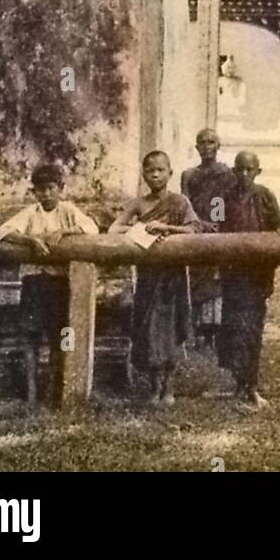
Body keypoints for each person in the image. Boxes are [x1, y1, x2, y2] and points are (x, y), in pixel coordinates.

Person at [0, 163, 98, 404]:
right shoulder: (31, 213)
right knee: (31, 336)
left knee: (60, 336)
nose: (47, 194)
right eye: (41, 190)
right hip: (35, 283)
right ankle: (31, 392)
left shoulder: (68, 210)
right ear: (35, 192)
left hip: (60, 284)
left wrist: (65, 232)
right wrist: (30, 240)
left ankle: (56, 388)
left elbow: (92, 227)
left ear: (60, 189)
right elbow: (2, 231)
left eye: (51, 188)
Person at [111, 151, 200, 404]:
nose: (156, 175)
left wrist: (167, 229)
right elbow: (114, 228)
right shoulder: (139, 204)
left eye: (161, 170)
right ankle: (154, 387)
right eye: (150, 171)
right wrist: (142, 230)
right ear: (144, 175)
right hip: (148, 276)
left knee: (171, 329)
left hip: (172, 275)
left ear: (170, 173)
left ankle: (169, 388)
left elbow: (194, 229)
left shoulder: (180, 202)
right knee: (149, 330)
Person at [216, 150, 280, 412]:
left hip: (256, 275)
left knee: (252, 329)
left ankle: (251, 386)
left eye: (249, 169)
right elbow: (215, 227)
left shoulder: (265, 196)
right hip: (233, 273)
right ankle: (238, 384)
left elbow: (277, 228)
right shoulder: (223, 197)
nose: (244, 174)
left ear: (257, 171)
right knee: (233, 329)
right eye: (239, 169)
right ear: (233, 171)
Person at [181, 129, 233, 349]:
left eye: (211, 142)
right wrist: (198, 223)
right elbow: (185, 203)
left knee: (214, 278)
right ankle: (198, 331)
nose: (207, 146)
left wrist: (216, 223)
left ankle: (213, 330)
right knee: (196, 277)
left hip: (215, 229)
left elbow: (222, 199)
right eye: (202, 142)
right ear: (197, 147)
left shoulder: (224, 173)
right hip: (195, 227)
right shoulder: (189, 174)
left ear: (218, 146)